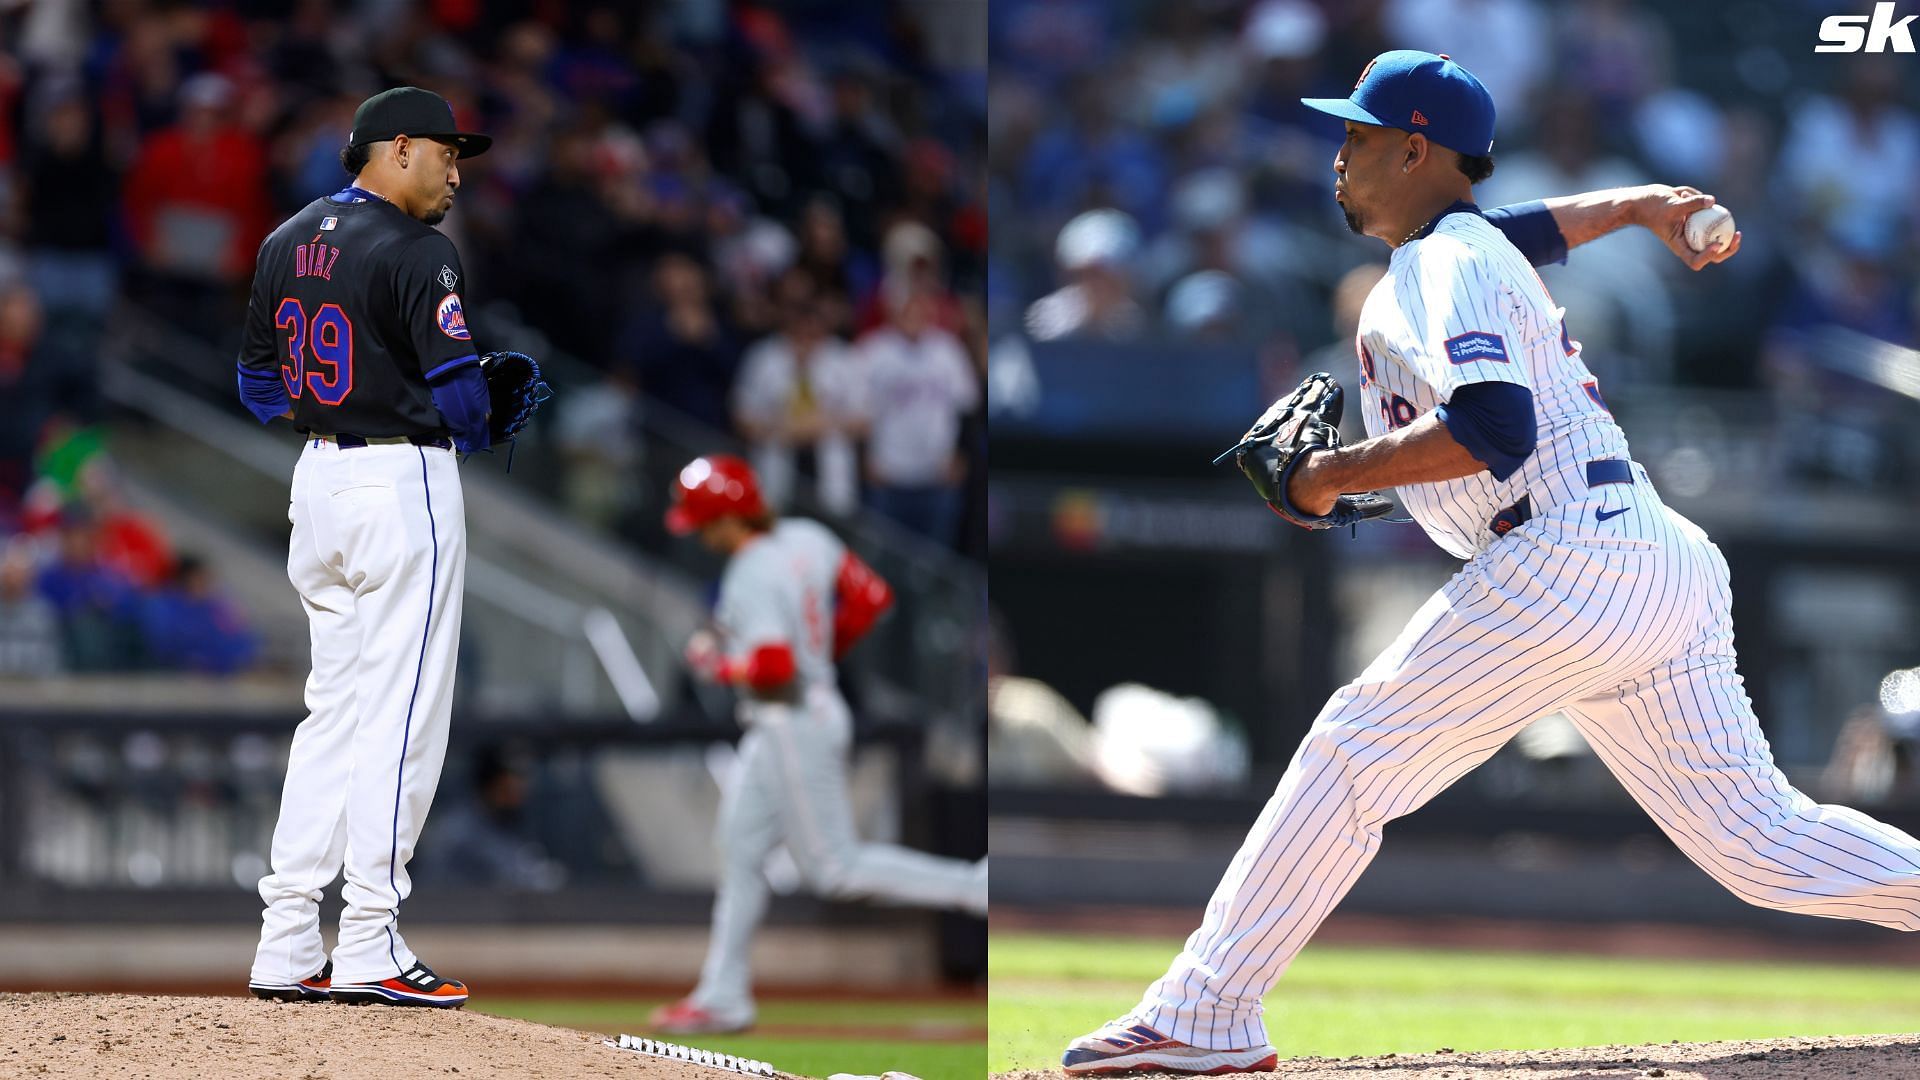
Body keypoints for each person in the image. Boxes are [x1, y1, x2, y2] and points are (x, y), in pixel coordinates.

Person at [1053, 54, 1920, 1079]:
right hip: (1647, 554)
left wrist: (1327, 476)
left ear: (1416, 149)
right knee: (1763, 844)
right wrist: (1642, 203)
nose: (1339, 160)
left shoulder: (1442, 259)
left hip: (1567, 554)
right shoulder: (1464, 245)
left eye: (1359, 139)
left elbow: (1494, 426)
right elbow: (1540, 230)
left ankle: (1206, 1009)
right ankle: (1205, 1009)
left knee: (1350, 751)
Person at [238, 86, 495, 1010]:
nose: (456, 171)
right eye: (445, 153)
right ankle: (370, 940)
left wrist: (326, 418)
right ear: (393, 149)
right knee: (403, 715)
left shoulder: (284, 238)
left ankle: (285, 937)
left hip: (318, 483)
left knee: (334, 715)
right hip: (401, 484)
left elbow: (255, 381)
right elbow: (465, 405)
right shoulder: (419, 250)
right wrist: (473, 413)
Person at [651, 454, 988, 1035]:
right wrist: (824, 653)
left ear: (724, 519)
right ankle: (723, 993)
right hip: (800, 713)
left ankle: (974, 886)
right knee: (739, 849)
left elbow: (773, 666)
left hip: (792, 718)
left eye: (703, 521)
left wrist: (718, 665)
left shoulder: (749, 571)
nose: (702, 534)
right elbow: (872, 597)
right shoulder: (807, 535)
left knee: (835, 869)